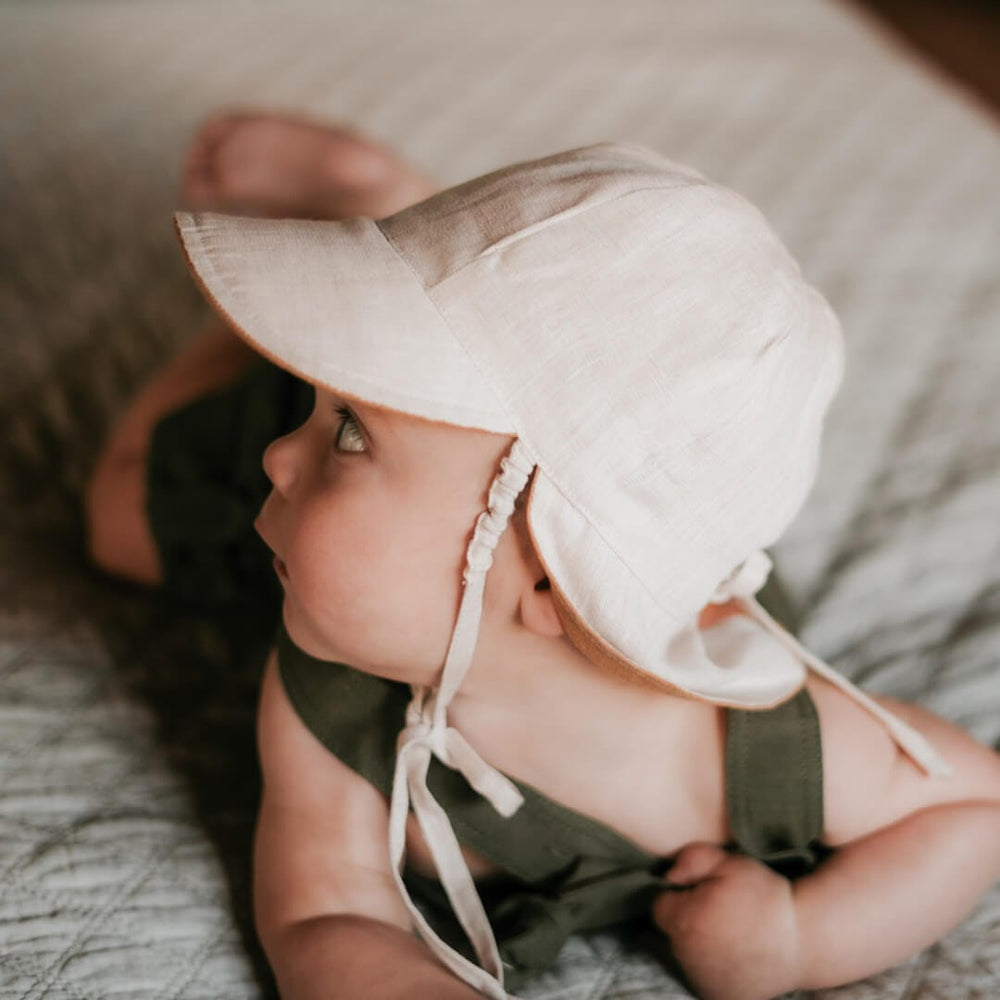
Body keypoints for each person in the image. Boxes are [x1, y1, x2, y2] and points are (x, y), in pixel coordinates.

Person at [86, 113, 1000, 1000]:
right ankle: (329, 291)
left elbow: (974, 807)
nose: (278, 457)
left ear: (551, 582)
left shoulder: (759, 748)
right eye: (327, 417)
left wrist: (802, 940)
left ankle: (399, 249)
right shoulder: (326, 692)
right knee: (117, 521)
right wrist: (329, 405)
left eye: (349, 433)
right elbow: (325, 914)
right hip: (374, 528)